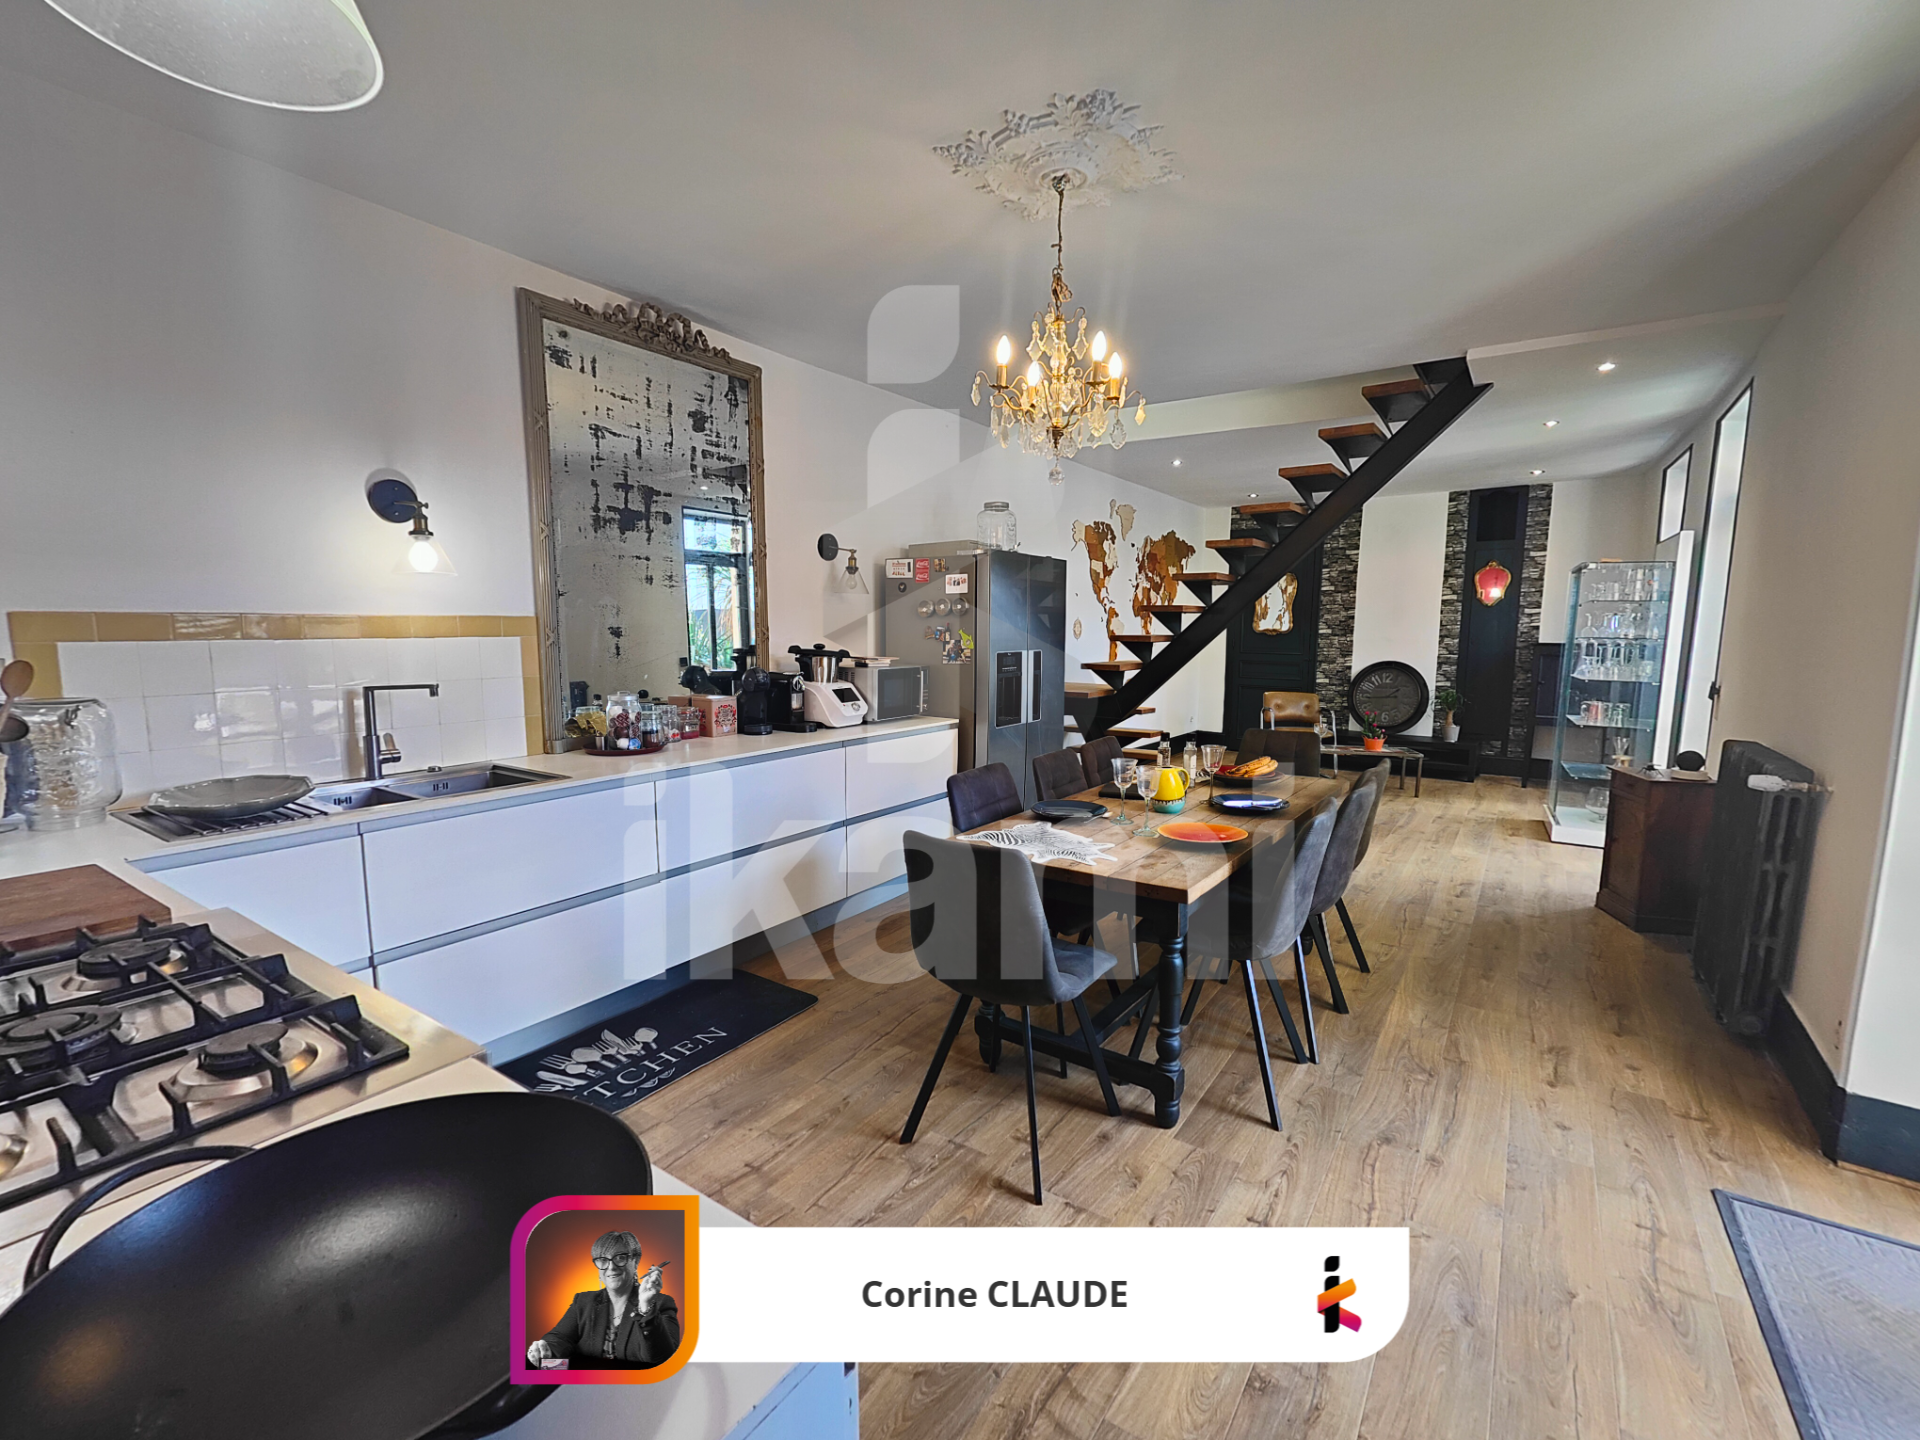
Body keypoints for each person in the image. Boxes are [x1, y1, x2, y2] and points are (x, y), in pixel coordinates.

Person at [526, 1230, 680, 1370]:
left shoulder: (660, 1303)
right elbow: (560, 1338)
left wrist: (645, 1307)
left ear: (635, 1261)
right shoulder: (584, 1301)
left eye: (620, 1258)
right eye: (603, 1260)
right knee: (540, 1366)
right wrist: (545, 1349)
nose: (611, 1267)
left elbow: (663, 1360)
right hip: (586, 1383)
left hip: (634, 1386)